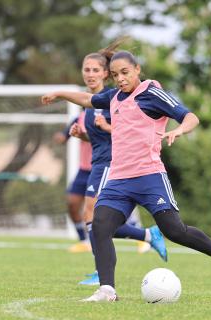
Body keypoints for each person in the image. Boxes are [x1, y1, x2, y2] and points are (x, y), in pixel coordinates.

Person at [41, 49, 211, 302]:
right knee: (100, 226)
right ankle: (107, 290)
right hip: (119, 178)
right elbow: (88, 99)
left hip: (149, 176)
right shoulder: (114, 97)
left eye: (125, 73)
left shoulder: (152, 94)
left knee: (175, 231)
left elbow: (190, 117)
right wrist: (59, 94)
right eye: (115, 75)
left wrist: (179, 131)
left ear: (137, 70)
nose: (120, 79)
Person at [69, 50, 169, 286]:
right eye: (86, 70)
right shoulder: (90, 102)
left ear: (106, 74)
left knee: (91, 215)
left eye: (95, 70)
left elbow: (129, 134)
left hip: (112, 164)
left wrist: (104, 127)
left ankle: (100, 272)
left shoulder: (112, 98)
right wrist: (81, 135)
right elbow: (97, 138)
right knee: (96, 219)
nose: (90, 74)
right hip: (98, 163)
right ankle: (146, 235)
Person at [52, 114, 92, 253]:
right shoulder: (80, 118)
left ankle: (141, 235)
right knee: (72, 203)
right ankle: (84, 241)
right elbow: (65, 136)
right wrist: (61, 137)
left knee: (97, 210)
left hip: (102, 168)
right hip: (83, 170)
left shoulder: (107, 114)